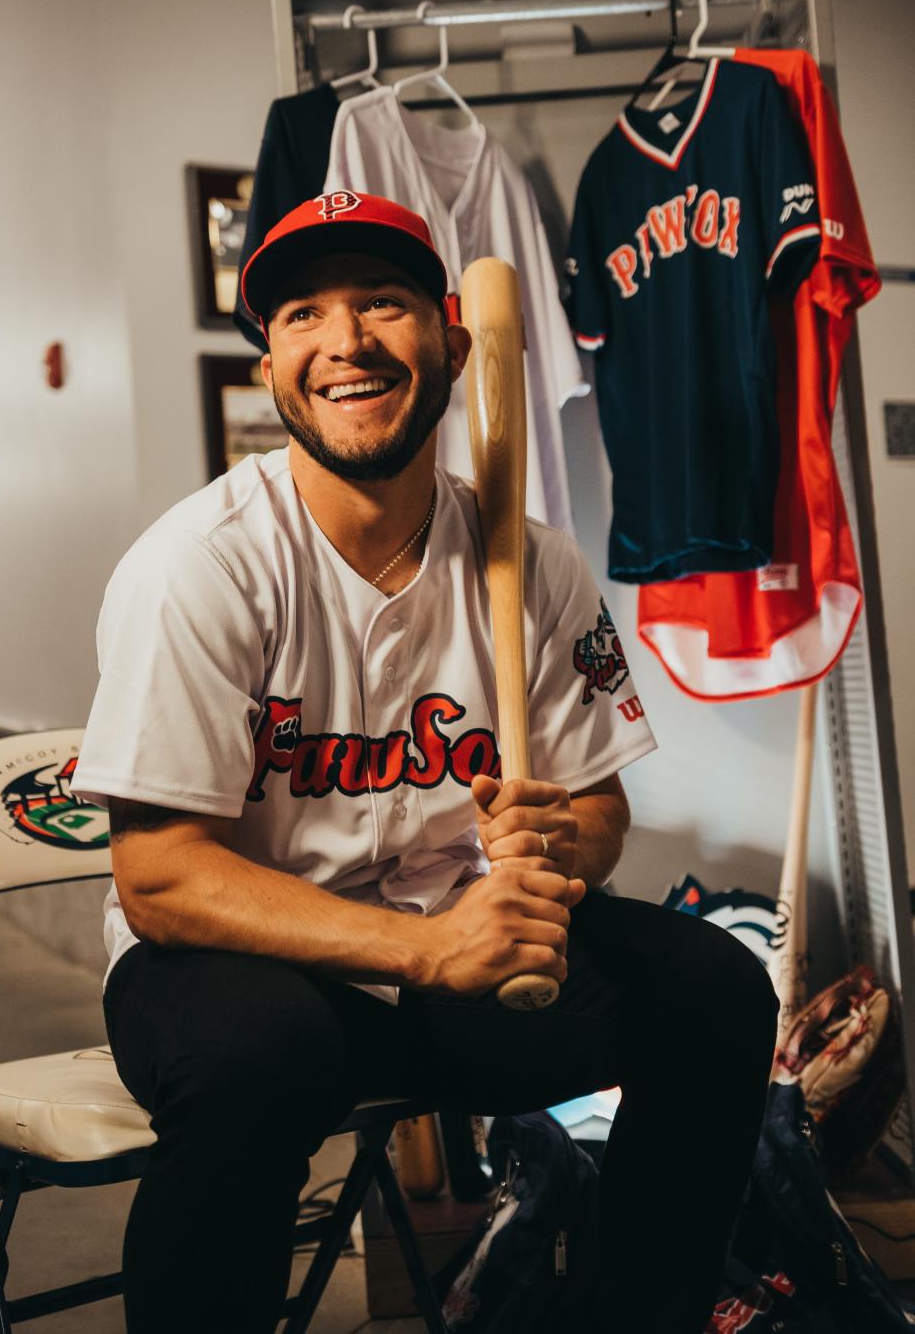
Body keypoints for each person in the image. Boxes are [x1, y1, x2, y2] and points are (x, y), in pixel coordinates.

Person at [71, 191, 779, 1334]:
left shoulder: (532, 565)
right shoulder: (198, 569)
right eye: (303, 313)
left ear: (452, 343)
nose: (344, 341)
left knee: (714, 991)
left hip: (464, 966)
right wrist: (425, 947)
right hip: (245, 962)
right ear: (272, 368)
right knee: (259, 1060)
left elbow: (600, 807)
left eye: (382, 304)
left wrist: (559, 847)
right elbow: (161, 882)